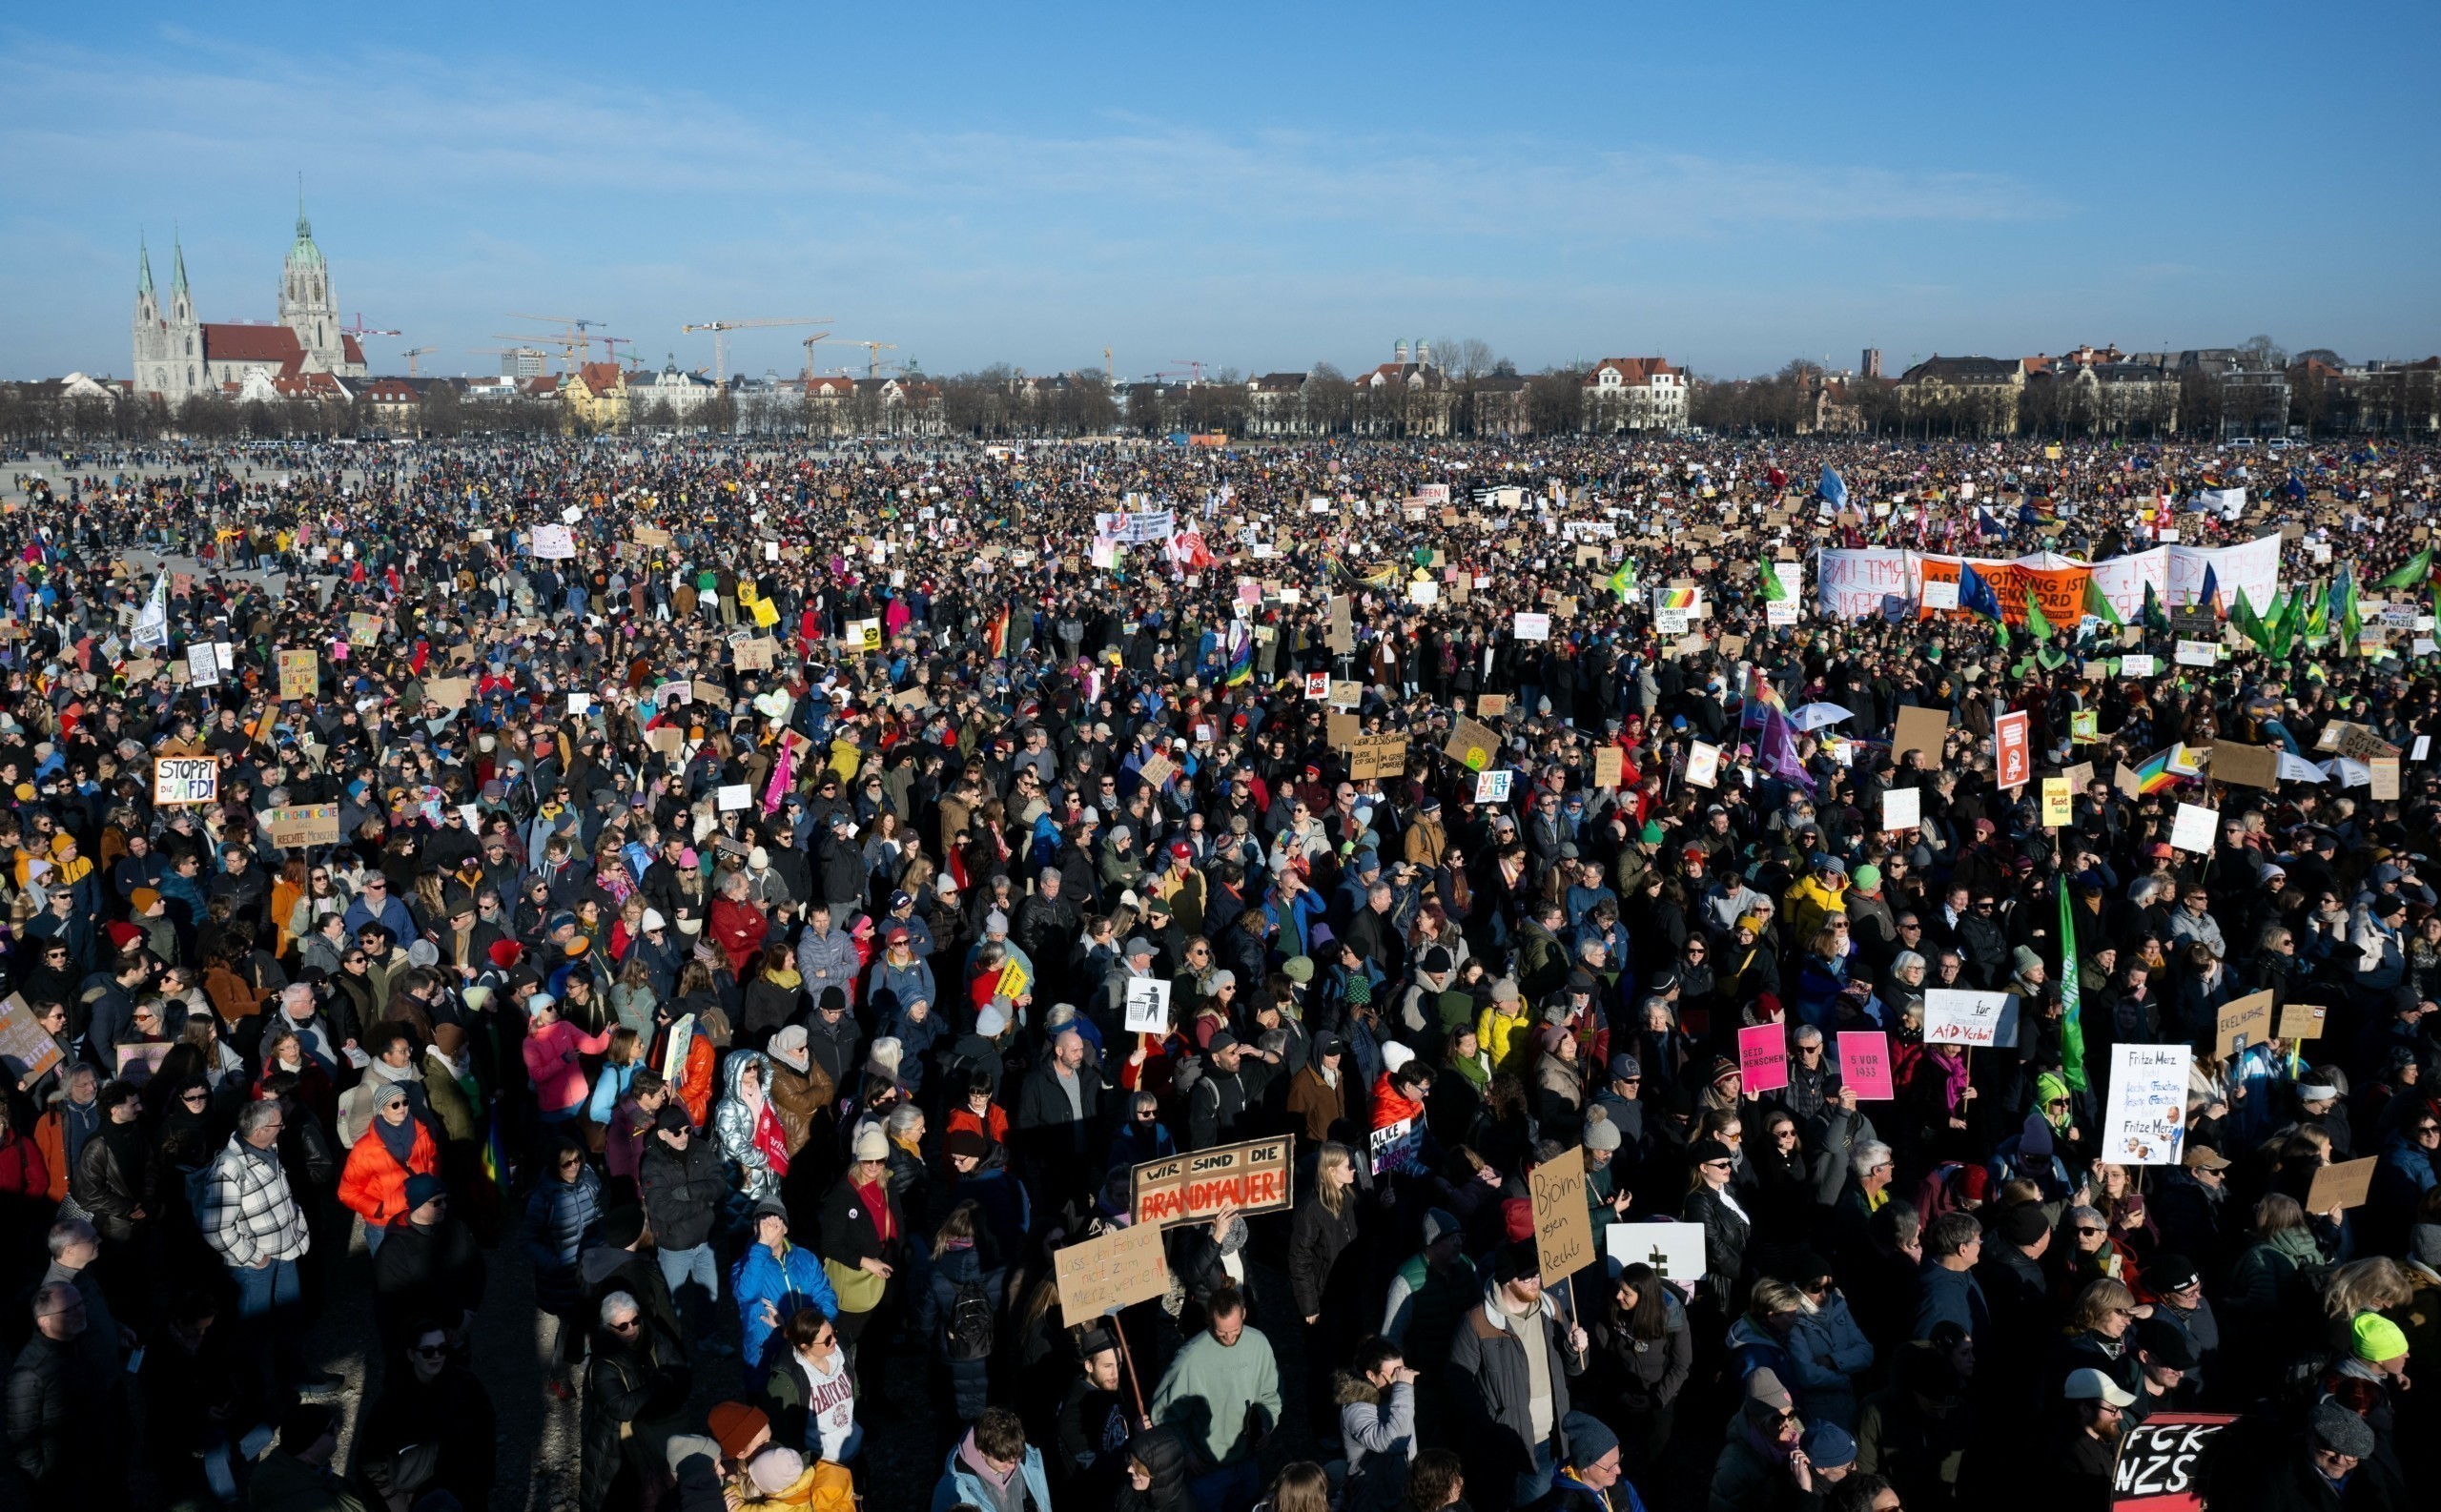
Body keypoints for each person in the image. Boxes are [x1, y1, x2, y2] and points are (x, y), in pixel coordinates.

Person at [1448, 1240, 1589, 1512]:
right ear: (1506, 1281)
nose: (1535, 1280)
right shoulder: (1477, 1322)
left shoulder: (1552, 1308)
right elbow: (1457, 1383)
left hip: (1553, 1436)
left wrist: (1576, 1348)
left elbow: (1576, 1368)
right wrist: (1491, 1421)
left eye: (1537, 1273)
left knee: (1547, 1504)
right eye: (1526, 1276)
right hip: (1505, 1442)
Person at [1150, 1285, 1282, 1512]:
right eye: (1222, 1333)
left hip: (1248, 1463)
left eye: (1235, 1330)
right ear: (1210, 1320)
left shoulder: (1259, 1344)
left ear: (1244, 1314)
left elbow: (1271, 1395)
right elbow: (1162, 1412)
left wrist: (1266, 1425)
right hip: (1207, 1472)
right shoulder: (1190, 1358)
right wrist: (1186, 1450)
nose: (1230, 1338)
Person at [357, 1318, 500, 1511]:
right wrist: (396, 1504)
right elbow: (370, 1461)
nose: (437, 1356)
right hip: (419, 1498)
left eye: (443, 1349)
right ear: (411, 1354)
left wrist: (482, 1482)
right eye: (428, 1351)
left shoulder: (465, 1384)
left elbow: (486, 1431)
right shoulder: (392, 1403)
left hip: (466, 1490)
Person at [732, 1195, 840, 1385]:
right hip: (765, 1357)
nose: (768, 1229)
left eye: (775, 1223)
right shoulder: (743, 1266)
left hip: (808, 1348)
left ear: (786, 1228)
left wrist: (805, 1330)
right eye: (761, 1224)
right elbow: (747, 1295)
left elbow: (825, 1295)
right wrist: (763, 1246)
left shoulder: (805, 1258)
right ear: (754, 1229)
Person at [762, 1305, 861, 1465]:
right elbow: (783, 1432)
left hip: (855, 1451)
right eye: (827, 1339)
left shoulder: (842, 1354)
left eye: (833, 1332)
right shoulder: (786, 1380)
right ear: (805, 1346)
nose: (834, 1340)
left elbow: (855, 1392)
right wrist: (807, 1464)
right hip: (823, 1463)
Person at [1336, 1336, 1420, 1512]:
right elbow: (1395, 1441)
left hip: (1401, 1493)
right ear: (1371, 1375)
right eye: (1392, 1374)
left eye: (1401, 1370)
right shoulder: (1355, 1409)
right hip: (1372, 1501)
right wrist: (1403, 1388)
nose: (1398, 1378)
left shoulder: (1393, 1397)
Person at [930, 1405, 1053, 1512]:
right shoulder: (950, 1490)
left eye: (1016, 1457)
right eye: (1003, 1460)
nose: (1012, 1466)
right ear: (982, 1451)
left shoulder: (1028, 1461)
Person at [2046, 1367, 2132, 1503]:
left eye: (2120, 1408)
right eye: (2113, 1409)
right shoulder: (2068, 1453)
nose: (2120, 1416)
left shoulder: (2109, 1433)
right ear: (2085, 1409)